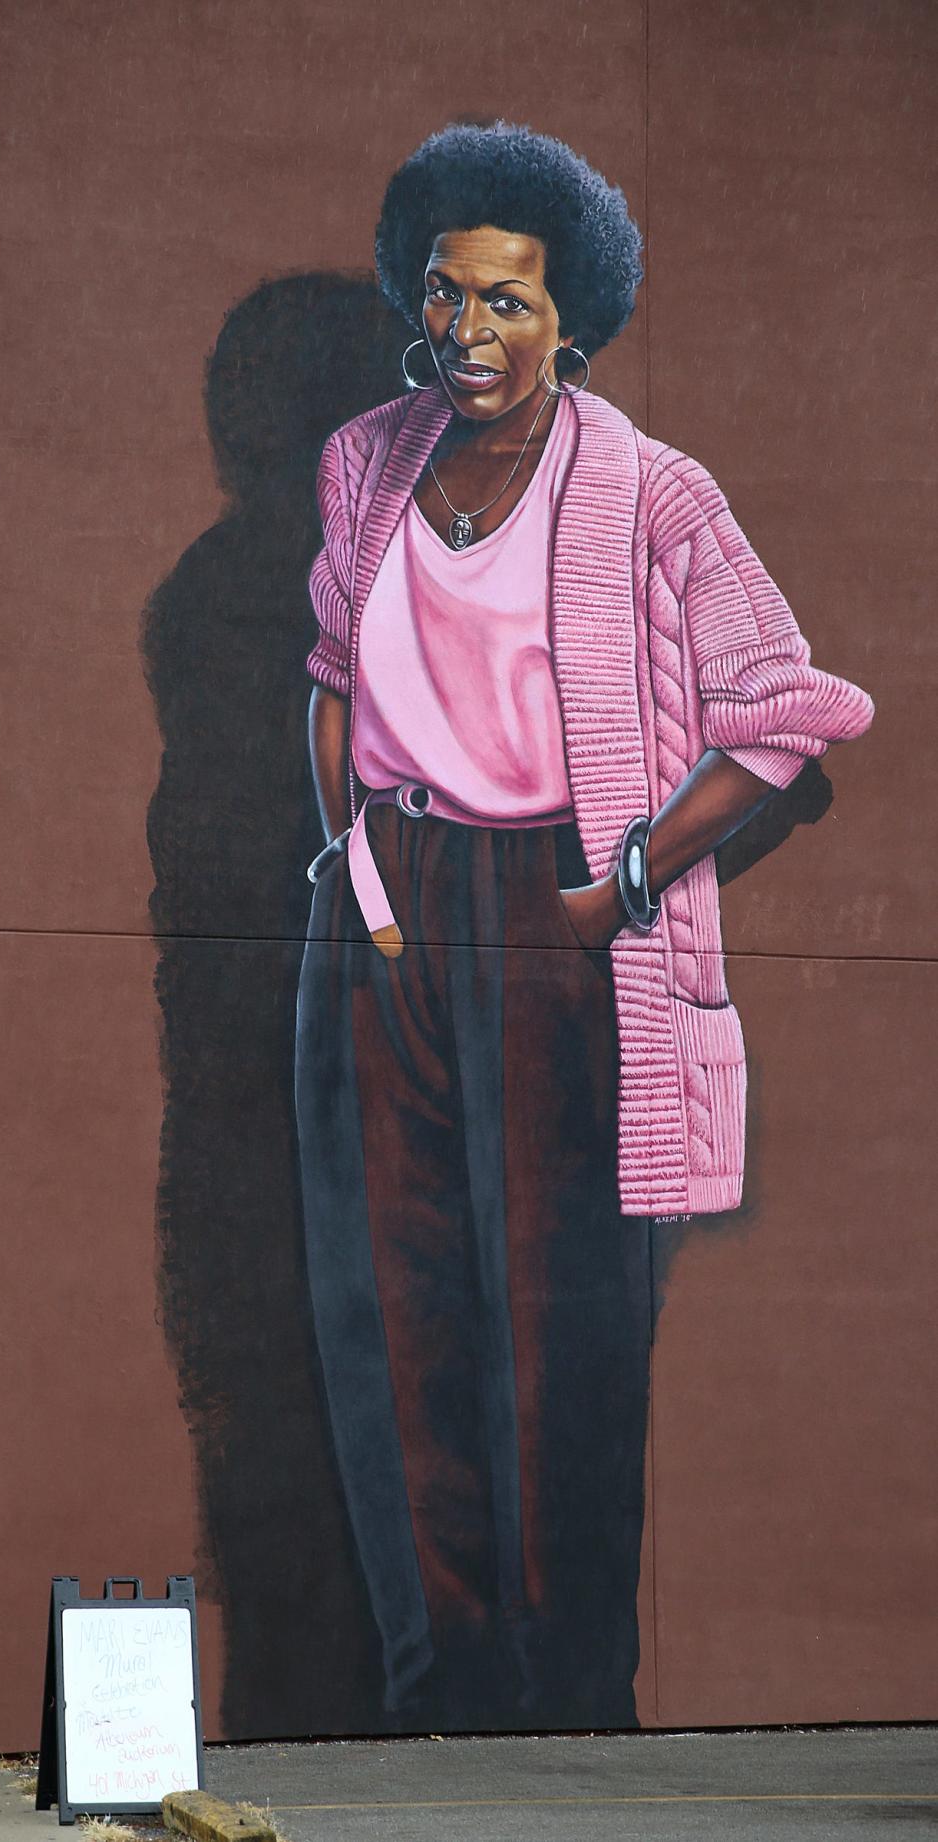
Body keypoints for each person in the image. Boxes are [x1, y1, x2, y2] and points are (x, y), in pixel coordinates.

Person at [297, 122, 873, 1729]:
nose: (468, 333)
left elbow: (787, 714)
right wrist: (348, 855)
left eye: (509, 303)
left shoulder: (653, 492)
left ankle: (566, 1706)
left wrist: (607, 890)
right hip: (387, 915)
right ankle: (439, 1691)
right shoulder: (365, 461)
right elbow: (333, 681)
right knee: (393, 1306)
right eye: (447, 295)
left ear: (574, 318)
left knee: (556, 1329)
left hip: (555, 909)